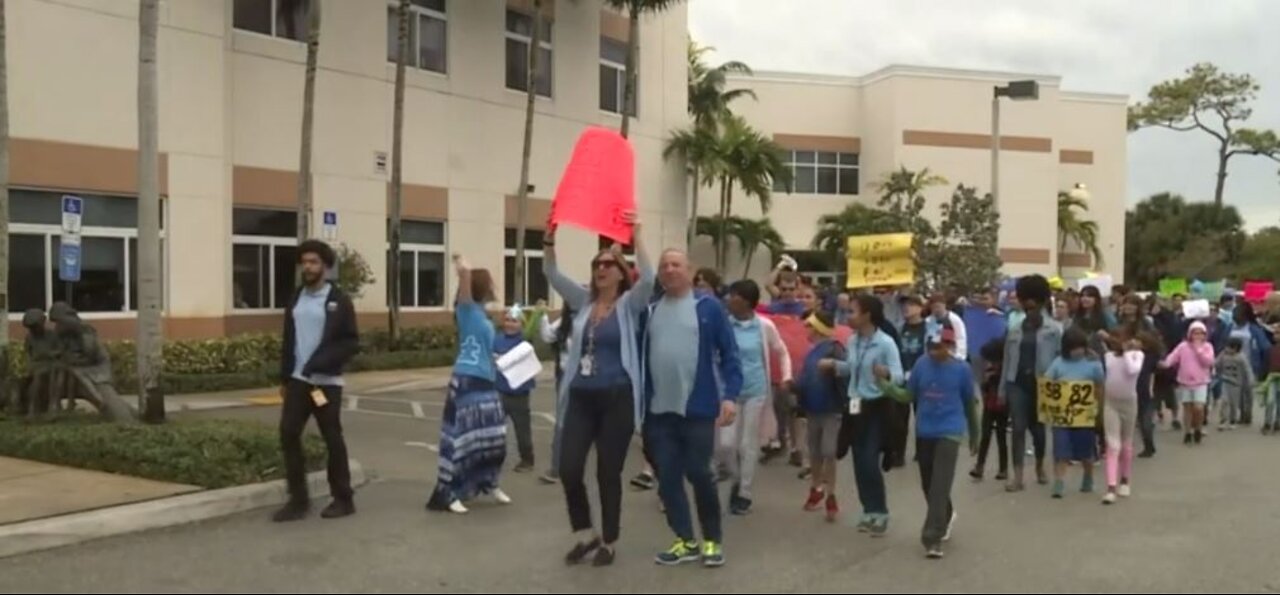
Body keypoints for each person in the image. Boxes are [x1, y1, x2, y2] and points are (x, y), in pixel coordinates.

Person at [543, 215, 654, 567]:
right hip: (581, 396)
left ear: (621, 273)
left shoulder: (628, 306)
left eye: (609, 264)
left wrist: (637, 237)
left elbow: (649, 279)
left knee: (608, 472)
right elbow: (552, 275)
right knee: (570, 468)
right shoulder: (583, 302)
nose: (601, 268)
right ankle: (585, 534)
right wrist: (549, 241)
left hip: (616, 398)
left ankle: (609, 539)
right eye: (597, 264)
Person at [646, 248, 742, 568]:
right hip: (659, 412)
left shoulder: (708, 308)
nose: (670, 270)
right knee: (669, 479)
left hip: (698, 409)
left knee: (700, 473)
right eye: (664, 265)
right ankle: (685, 540)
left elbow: (730, 355)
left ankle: (712, 540)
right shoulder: (650, 310)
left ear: (689, 270)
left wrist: (730, 396)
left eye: (676, 265)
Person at [273, 240, 359, 523]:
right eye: (305, 262)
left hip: (326, 382)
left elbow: (350, 342)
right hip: (299, 380)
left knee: (332, 438)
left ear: (325, 266)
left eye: (314, 262)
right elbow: (290, 339)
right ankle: (298, 500)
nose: (308, 267)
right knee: (288, 434)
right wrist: (285, 377)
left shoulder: (338, 300)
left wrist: (321, 363)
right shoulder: (297, 297)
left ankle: (343, 498)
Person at [427, 255, 511, 514]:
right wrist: (463, 269)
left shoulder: (483, 317)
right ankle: (450, 492)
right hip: (466, 379)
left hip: (487, 379)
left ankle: (488, 481)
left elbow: (483, 347)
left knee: (493, 436)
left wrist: (496, 359)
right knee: (461, 438)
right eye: (489, 282)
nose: (493, 286)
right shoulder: (467, 310)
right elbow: (464, 288)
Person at [887, 327, 978, 559]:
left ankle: (932, 538)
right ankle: (945, 514)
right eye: (933, 347)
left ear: (951, 346)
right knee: (928, 484)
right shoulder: (921, 365)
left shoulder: (962, 370)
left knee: (940, 484)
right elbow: (908, 396)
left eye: (942, 347)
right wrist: (885, 385)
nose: (937, 352)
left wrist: (976, 435)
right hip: (925, 431)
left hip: (950, 431)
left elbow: (969, 403)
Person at [821, 294, 904, 536]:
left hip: (877, 406)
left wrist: (886, 372)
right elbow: (853, 368)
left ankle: (881, 511)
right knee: (858, 460)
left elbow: (899, 376)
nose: (848, 316)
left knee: (869, 459)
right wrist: (835, 366)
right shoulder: (853, 341)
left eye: (852, 312)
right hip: (854, 405)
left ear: (867, 315)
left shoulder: (885, 343)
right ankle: (868, 510)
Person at [720, 280, 792, 516]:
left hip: (755, 390)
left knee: (747, 445)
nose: (730, 300)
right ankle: (736, 478)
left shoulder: (764, 326)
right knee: (725, 444)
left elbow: (781, 351)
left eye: (735, 296)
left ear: (747, 302)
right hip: (729, 392)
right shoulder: (724, 325)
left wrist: (786, 376)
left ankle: (744, 493)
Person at [998, 275, 1063, 492]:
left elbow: (1061, 358)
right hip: (1017, 383)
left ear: (1042, 302)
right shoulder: (1014, 328)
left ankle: (1039, 466)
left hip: (1042, 383)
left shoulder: (1055, 329)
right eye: (1026, 302)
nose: (1029, 307)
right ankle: (1017, 476)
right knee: (1017, 428)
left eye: (1033, 302)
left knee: (1038, 429)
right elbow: (1007, 359)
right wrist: (1002, 389)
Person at [796, 311, 847, 523]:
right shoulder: (811, 353)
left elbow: (844, 373)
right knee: (815, 451)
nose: (805, 329)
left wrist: (833, 369)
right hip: (813, 409)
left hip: (831, 409)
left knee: (829, 451)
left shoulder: (835, 349)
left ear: (817, 329)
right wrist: (795, 389)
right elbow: (806, 379)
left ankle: (831, 493)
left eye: (808, 326)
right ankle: (816, 488)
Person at [1044, 328, 1105, 499]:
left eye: (1080, 347)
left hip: (1084, 415)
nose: (1077, 351)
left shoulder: (1093, 364)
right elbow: (1047, 383)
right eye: (1073, 347)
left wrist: (1099, 409)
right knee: (1061, 450)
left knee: (1085, 451)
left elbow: (1100, 386)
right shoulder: (1058, 363)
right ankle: (1059, 482)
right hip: (1062, 415)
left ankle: (1088, 477)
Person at [1102, 335, 1144, 504]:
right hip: (1110, 402)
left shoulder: (1137, 356)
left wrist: (1128, 352)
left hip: (1129, 403)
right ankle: (1111, 487)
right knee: (1112, 444)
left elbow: (1132, 370)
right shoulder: (1108, 357)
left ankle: (1125, 479)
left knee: (1126, 443)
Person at [495, 306, 536, 472]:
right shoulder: (496, 340)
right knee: (497, 429)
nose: (510, 324)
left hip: (520, 394)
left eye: (515, 321)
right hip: (499, 390)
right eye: (507, 320)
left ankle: (527, 459)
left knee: (522, 430)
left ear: (521, 324)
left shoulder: (525, 342)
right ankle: (494, 458)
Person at [1161, 321, 1216, 446]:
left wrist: (1199, 350)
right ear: (1189, 334)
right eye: (1194, 333)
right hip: (1185, 381)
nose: (1197, 336)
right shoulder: (1183, 346)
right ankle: (1188, 432)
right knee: (1187, 408)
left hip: (1201, 382)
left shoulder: (1207, 347)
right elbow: (1173, 356)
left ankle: (1198, 427)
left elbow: (1209, 362)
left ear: (1204, 335)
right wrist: (1166, 363)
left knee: (1198, 407)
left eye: (1200, 333)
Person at [537, 304, 575, 485]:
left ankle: (560, 467)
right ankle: (557, 467)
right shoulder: (567, 321)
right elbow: (547, 334)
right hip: (569, 375)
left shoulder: (583, 319)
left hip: (578, 376)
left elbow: (547, 335)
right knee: (563, 421)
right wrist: (543, 315)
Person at [1227, 302, 1275, 426]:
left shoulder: (1254, 329)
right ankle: (1238, 412)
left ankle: (1246, 415)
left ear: (1245, 315)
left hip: (1250, 364)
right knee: (1235, 391)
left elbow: (1265, 347)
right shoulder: (1230, 327)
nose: (1235, 317)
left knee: (1247, 391)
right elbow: (1222, 344)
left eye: (1238, 314)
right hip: (1232, 365)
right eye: (1234, 314)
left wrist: (1264, 366)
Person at [971, 338, 1009, 482]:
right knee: (985, 435)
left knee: (1001, 435)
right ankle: (979, 466)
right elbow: (983, 385)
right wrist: (986, 381)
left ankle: (1003, 468)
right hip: (989, 403)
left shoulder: (1004, 370)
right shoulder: (988, 368)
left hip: (1001, 404)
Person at [1216, 337, 1255, 431]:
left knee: (1234, 403)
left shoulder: (1241, 357)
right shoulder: (1223, 355)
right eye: (1227, 347)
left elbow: (1247, 369)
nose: (1228, 349)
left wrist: (1250, 380)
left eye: (1231, 348)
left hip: (1236, 384)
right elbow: (1217, 364)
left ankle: (1232, 420)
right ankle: (1223, 420)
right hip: (1225, 381)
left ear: (1236, 348)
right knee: (1224, 401)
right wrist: (1216, 371)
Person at [926, 294, 969, 361]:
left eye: (938, 306)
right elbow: (926, 339)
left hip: (951, 356)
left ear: (944, 305)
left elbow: (960, 338)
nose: (937, 309)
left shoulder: (954, 319)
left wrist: (960, 356)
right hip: (933, 356)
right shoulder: (928, 321)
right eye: (934, 307)